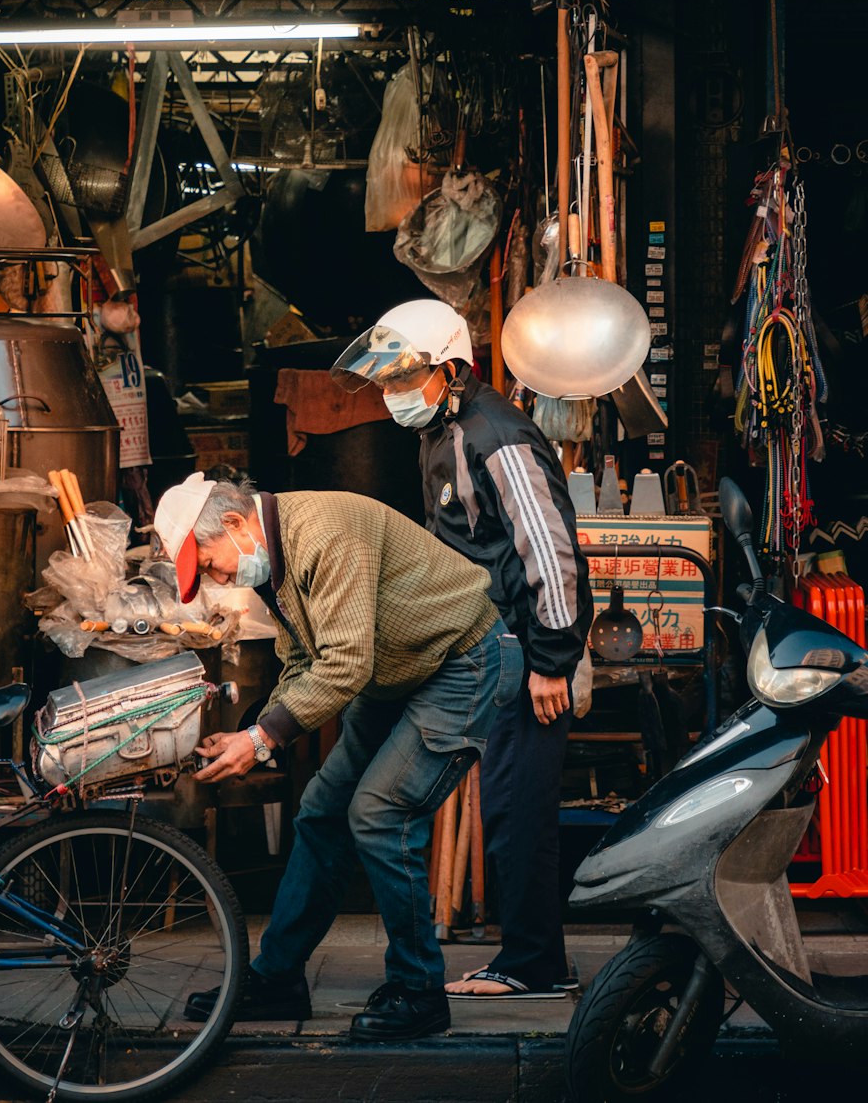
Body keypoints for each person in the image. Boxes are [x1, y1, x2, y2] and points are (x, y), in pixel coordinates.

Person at [152, 472, 523, 1040]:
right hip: (398, 674)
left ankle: (418, 990)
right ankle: (277, 978)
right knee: (321, 813)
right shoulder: (273, 562)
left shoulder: (323, 530)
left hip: (462, 663)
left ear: (233, 523)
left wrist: (261, 740)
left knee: (380, 814)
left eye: (206, 564)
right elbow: (304, 661)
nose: (214, 579)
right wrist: (257, 732)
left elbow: (345, 662)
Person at [332, 299, 593, 1000]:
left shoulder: (496, 436)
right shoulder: (444, 431)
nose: (391, 397)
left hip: (525, 652)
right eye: (384, 383)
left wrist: (550, 662)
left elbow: (549, 552)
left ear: (449, 370)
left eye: (401, 380)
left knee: (519, 809)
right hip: (483, 650)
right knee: (505, 807)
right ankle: (525, 959)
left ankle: (535, 965)